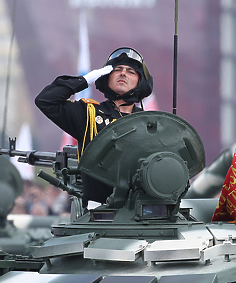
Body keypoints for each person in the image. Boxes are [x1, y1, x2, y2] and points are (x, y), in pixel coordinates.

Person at [35, 47, 154, 205]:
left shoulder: (149, 122)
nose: (123, 73)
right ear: (106, 76)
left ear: (140, 82)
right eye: (117, 69)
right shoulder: (89, 114)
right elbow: (45, 100)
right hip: (99, 212)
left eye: (131, 71)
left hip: (142, 211)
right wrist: (84, 81)